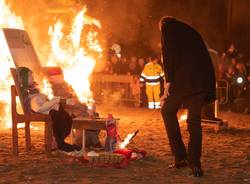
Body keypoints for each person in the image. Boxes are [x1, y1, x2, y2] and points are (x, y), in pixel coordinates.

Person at [160, 17, 216, 177]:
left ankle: (180, 156)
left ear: (162, 25)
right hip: (200, 83)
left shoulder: (167, 28)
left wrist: (167, 86)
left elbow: (168, 55)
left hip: (183, 81)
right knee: (194, 122)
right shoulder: (190, 31)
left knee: (167, 111)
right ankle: (195, 163)